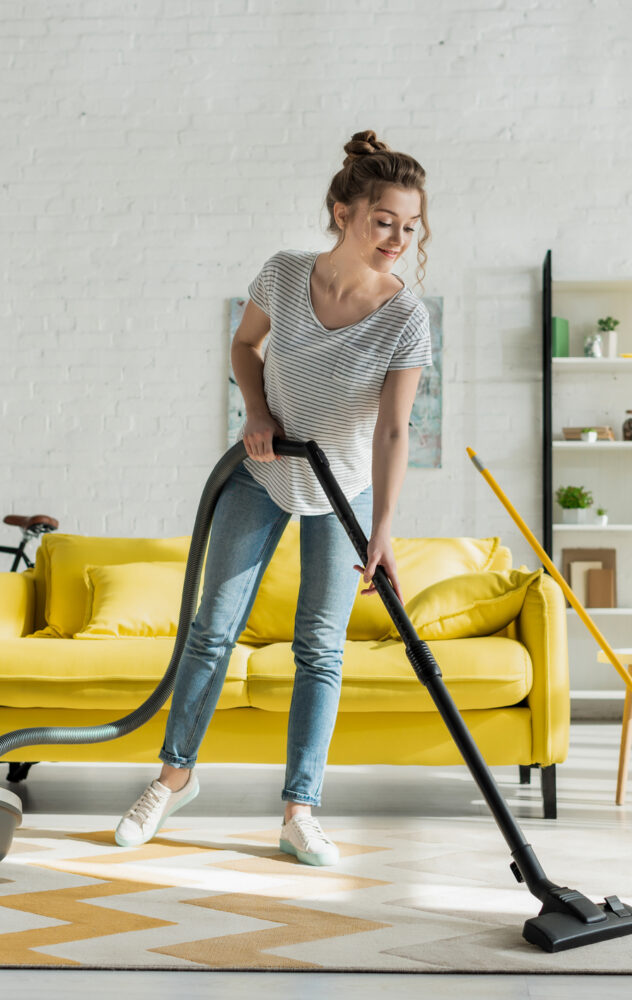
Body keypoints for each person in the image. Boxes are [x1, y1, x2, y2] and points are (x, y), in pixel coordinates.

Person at [114, 130, 433, 866]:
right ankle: (173, 777)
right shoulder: (286, 275)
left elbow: (392, 431)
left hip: (341, 490)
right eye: (384, 219)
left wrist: (381, 530)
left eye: (409, 225)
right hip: (261, 475)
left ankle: (299, 811)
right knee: (211, 629)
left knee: (320, 650)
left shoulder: (405, 317)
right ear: (343, 211)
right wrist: (256, 414)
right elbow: (243, 347)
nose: (397, 238)